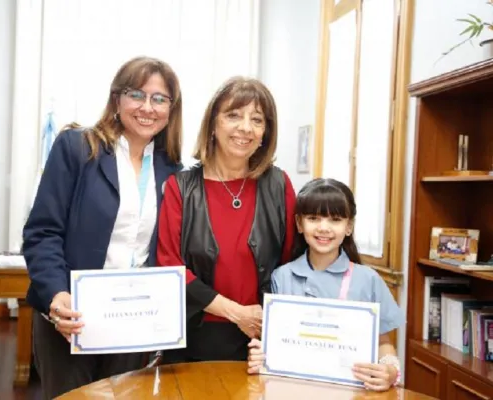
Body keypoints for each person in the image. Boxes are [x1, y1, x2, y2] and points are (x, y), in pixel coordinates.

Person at [22, 56, 183, 399]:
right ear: (117, 98)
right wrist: (56, 295)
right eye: (136, 94)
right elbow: (42, 232)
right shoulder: (77, 148)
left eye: (159, 99)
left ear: (171, 108)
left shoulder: (172, 169)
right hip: (71, 315)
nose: (147, 107)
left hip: (132, 320)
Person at [157, 76, 297, 363]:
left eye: (257, 120)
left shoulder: (279, 185)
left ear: (265, 133)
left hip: (261, 337)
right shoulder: (180, 187)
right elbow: (170, 265)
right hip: (192, 334)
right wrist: (236, 313)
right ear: (213, 124)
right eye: (234, 115)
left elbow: (291, 262)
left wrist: (266, 317)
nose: (245, 127)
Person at [246, 178, 404, 392]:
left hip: (352, 392)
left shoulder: (368, 279)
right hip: (290, 390)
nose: (324, 228)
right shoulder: (281, 277)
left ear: (348, 227)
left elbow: (384, 343)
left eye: (335, 219)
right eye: (313, 218)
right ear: (300, 224)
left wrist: (391, 370)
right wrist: (260, 354)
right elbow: (275, 343)